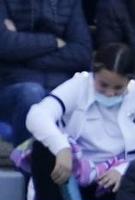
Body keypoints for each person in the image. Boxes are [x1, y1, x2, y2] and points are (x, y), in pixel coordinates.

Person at [22, 44, 135, 200]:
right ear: (93, 73)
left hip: (116, 181)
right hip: (70, 175)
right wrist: (61, 148)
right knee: (42, 149)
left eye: (118, 88)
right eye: (103, 85)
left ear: (130, 80)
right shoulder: (79, 85)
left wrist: (123, 171)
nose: (110, 93)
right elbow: (36, 115)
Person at [0, 0, 92, 148]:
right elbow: (4, 45)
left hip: (60, 85)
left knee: (81, 95)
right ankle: (28, 164)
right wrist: (53, 42)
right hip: (13, 87)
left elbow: (82, 53)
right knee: (30, 93)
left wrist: (23, 54)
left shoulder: (69, 3)